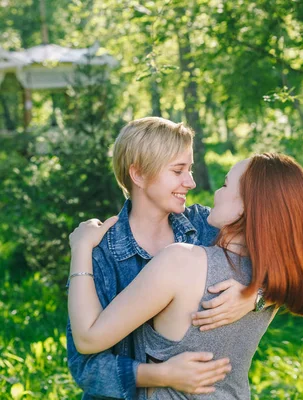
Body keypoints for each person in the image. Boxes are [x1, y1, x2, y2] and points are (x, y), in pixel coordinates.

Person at [68, 153, 303, 399]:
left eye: (226, 185)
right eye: (178, 170)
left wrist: (80, 248)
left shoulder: (180, 262)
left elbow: (88, 339)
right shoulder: (272, 276)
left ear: (244, 208)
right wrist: (257, 295)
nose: (212, 191)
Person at [66, 117, 260, 399]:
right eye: (178, 170)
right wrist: (162, 375)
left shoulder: (208, 226)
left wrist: (254, 296)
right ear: (139, 175)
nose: (191, 182)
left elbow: (284, 260)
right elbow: (84, 366)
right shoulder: (101, 252)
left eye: (190, 169)